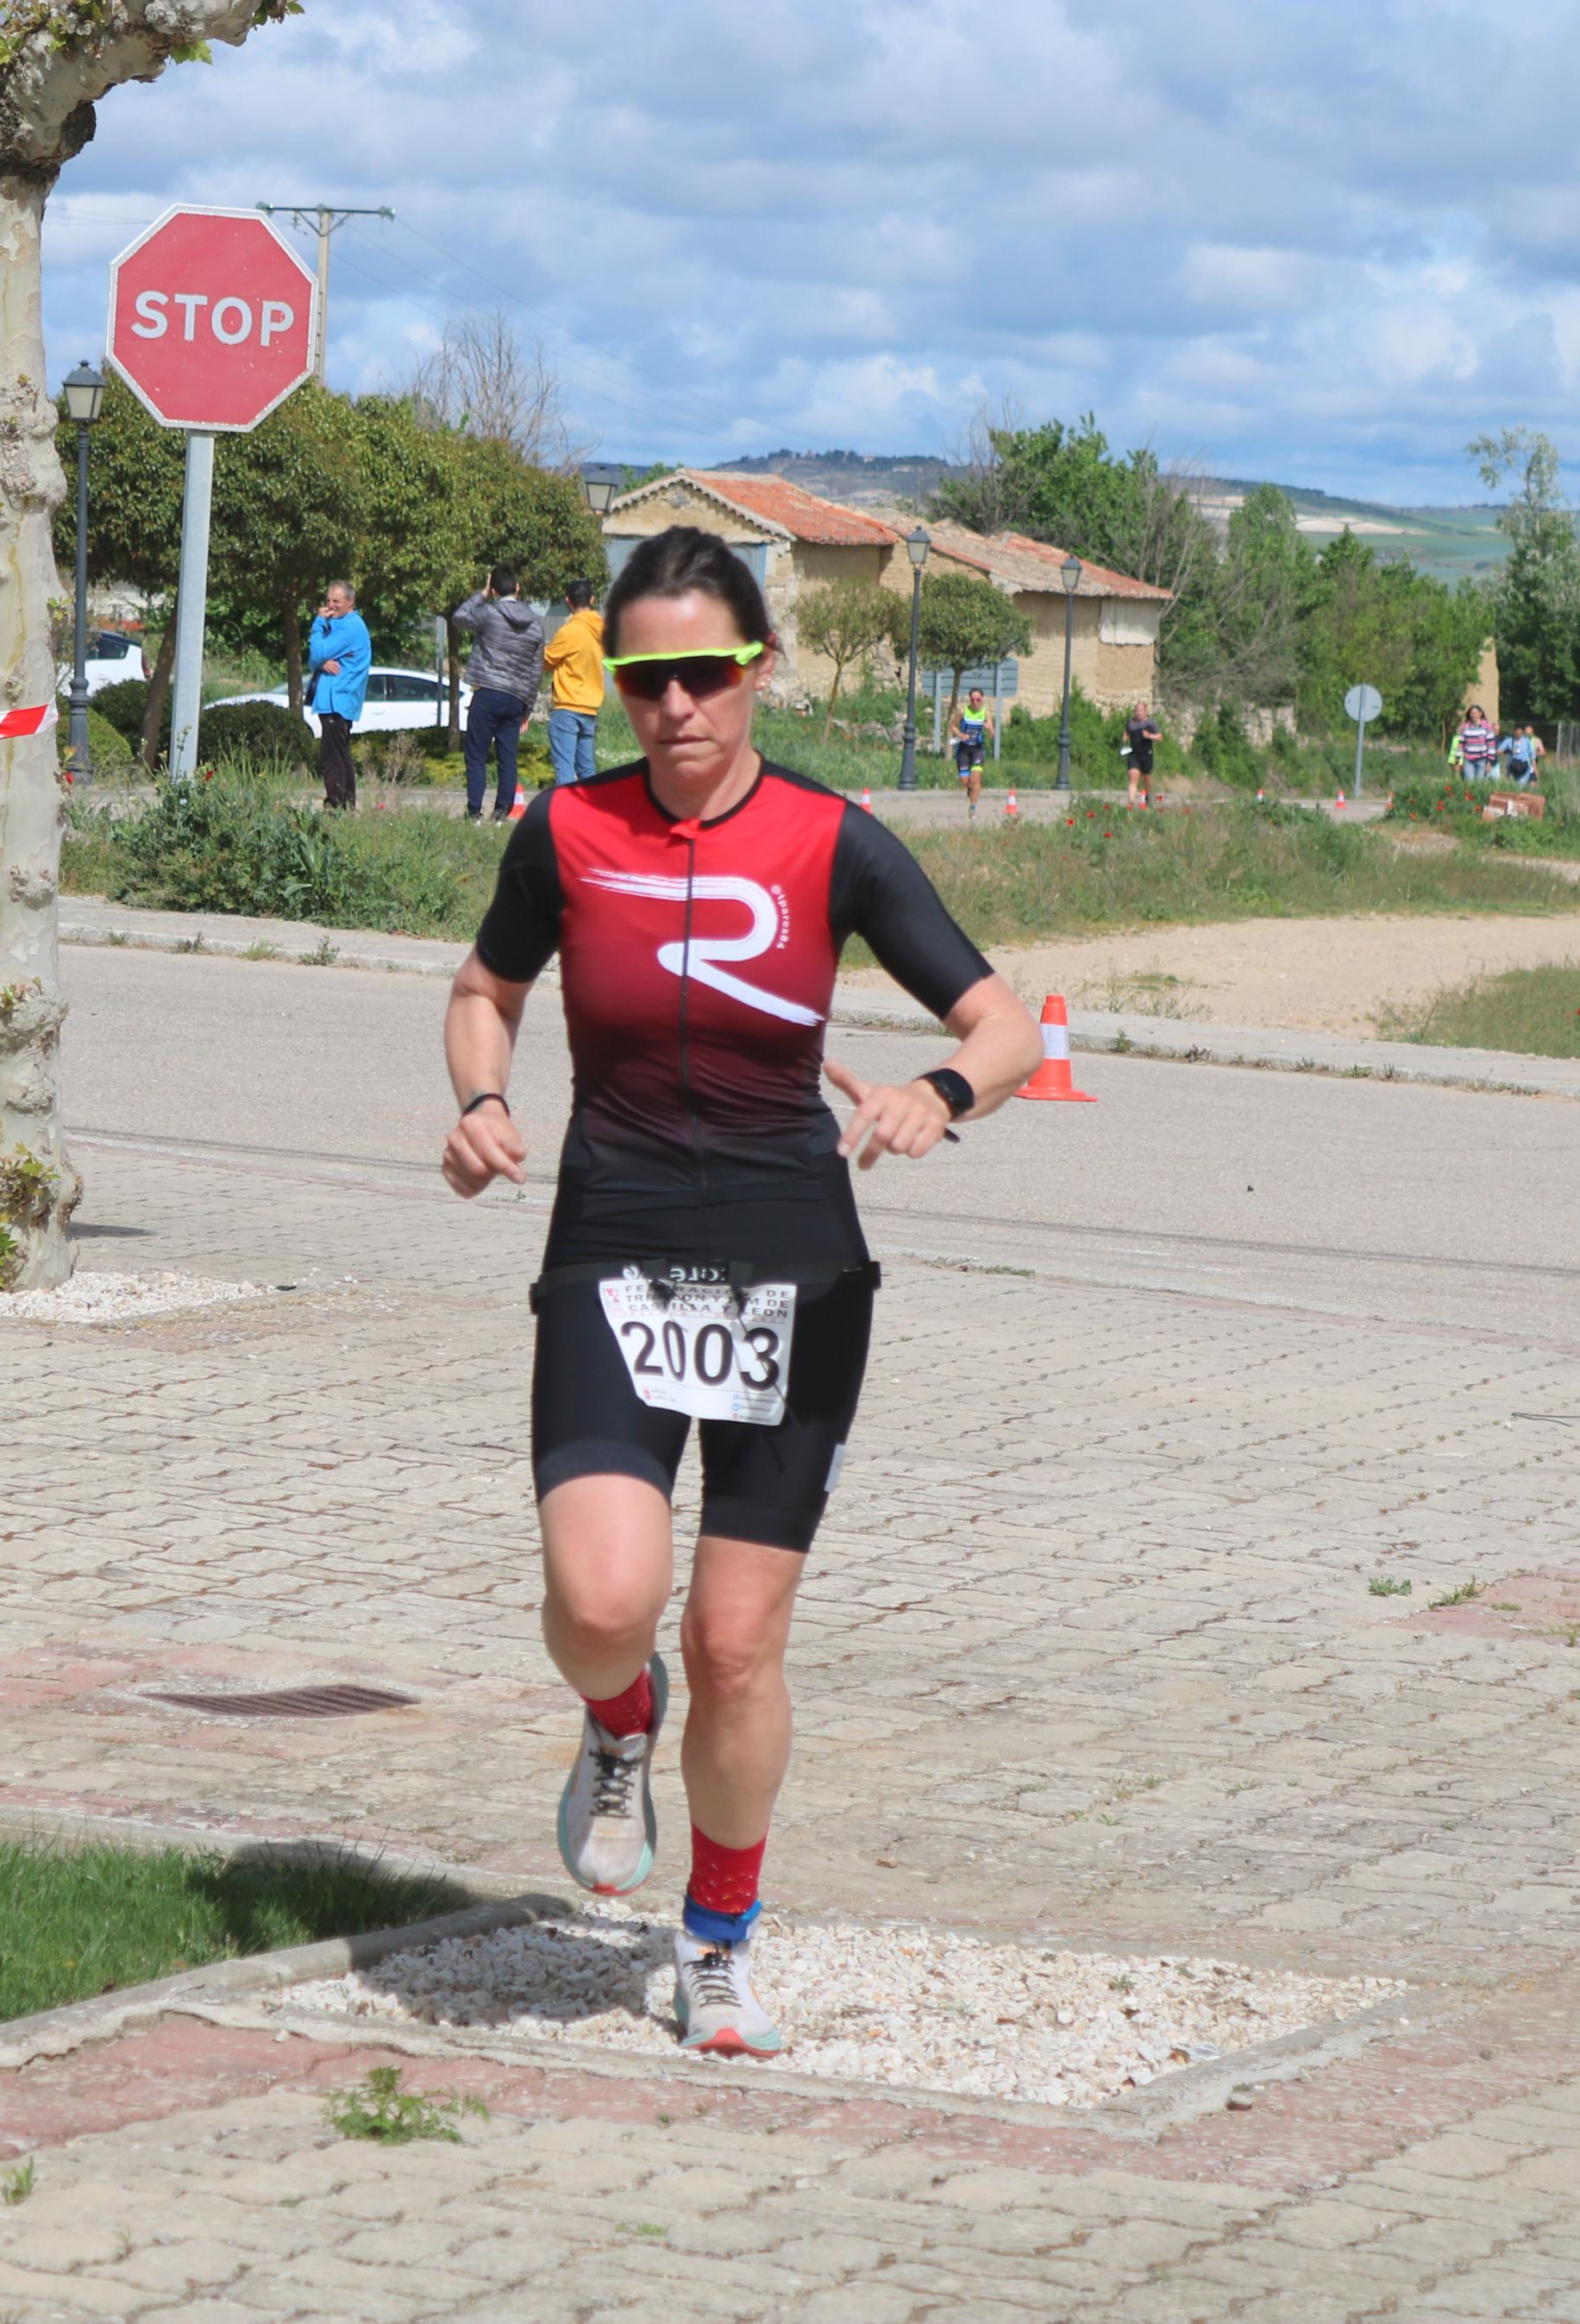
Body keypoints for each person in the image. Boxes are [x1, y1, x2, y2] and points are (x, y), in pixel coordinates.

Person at [438, 525, 1036, 2057]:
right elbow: (483, 989)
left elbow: (1001, 1021)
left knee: (735, 1646)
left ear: (758, 668)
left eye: (705, 673)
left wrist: (938, 1091)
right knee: (601, 1605)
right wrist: (483, 1098)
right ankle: (612, 1721)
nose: (677, 707)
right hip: (612, 1246)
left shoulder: (830, 840)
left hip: (795, 1269)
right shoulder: (564, 833)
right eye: (646, 680)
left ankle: (715, 1941)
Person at [452, 565, 547, 820]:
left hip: (488, 692)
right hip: (516, 698)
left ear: (494, 590)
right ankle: (501, 813)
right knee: (508, 757)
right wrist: (527, 707)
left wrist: (481, 594)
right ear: (518, 588)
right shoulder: (536, 626)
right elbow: (536, 671)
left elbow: (460, 617)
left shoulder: (489, 614)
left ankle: (474, 812)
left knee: (476, 755)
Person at [308, 580, 371, 811]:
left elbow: (316, 652)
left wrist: (317, 623)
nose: (330, 606)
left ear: (350, 602)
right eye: (328, 601)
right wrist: (321, 662)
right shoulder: (338, 625)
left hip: (338, 700)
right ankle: (347, 804)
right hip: (336, 701)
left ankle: (335, 802)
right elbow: (314, 660)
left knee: (331, 758)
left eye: (336, 601)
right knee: (342, 755)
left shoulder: (350, 627)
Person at [542, 578, 605, 793]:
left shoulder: (569, 632)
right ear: (592, 599)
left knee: (565, 768)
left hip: (567, 707)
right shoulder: (603, 632)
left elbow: (546, 661)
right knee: (587, 769)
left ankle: (566, 816)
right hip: (590, 709)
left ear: (568, 601)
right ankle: (595, 813)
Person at [951, 689, 992, 792]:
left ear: (982, 700)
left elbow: (992, 734)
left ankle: (973, 802)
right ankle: (973, 792)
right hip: (963, 749)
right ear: (969, 700)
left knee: (976, 779)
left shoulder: (985, 713)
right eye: (972, 699)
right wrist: (961, 735)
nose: (975, 702)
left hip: (977, 749)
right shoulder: (963, 711)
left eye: (978, 700)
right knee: (965, 782)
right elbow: (952, 725)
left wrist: (989, 729)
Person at [1122, 702, 1160, 804]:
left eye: (1141, 711)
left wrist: (1149, 736)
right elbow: (1126, 730)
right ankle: (1131, 804)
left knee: (1146, 780)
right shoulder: (1130, 722)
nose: (1138, 713)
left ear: (1145, 712)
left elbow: (1160, 737)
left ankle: (1148, 796)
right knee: (1133, 776)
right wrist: (1125, 736)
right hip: (1134, 754)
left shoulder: (1150, 723)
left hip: (1147, 754)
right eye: (1137, 711)